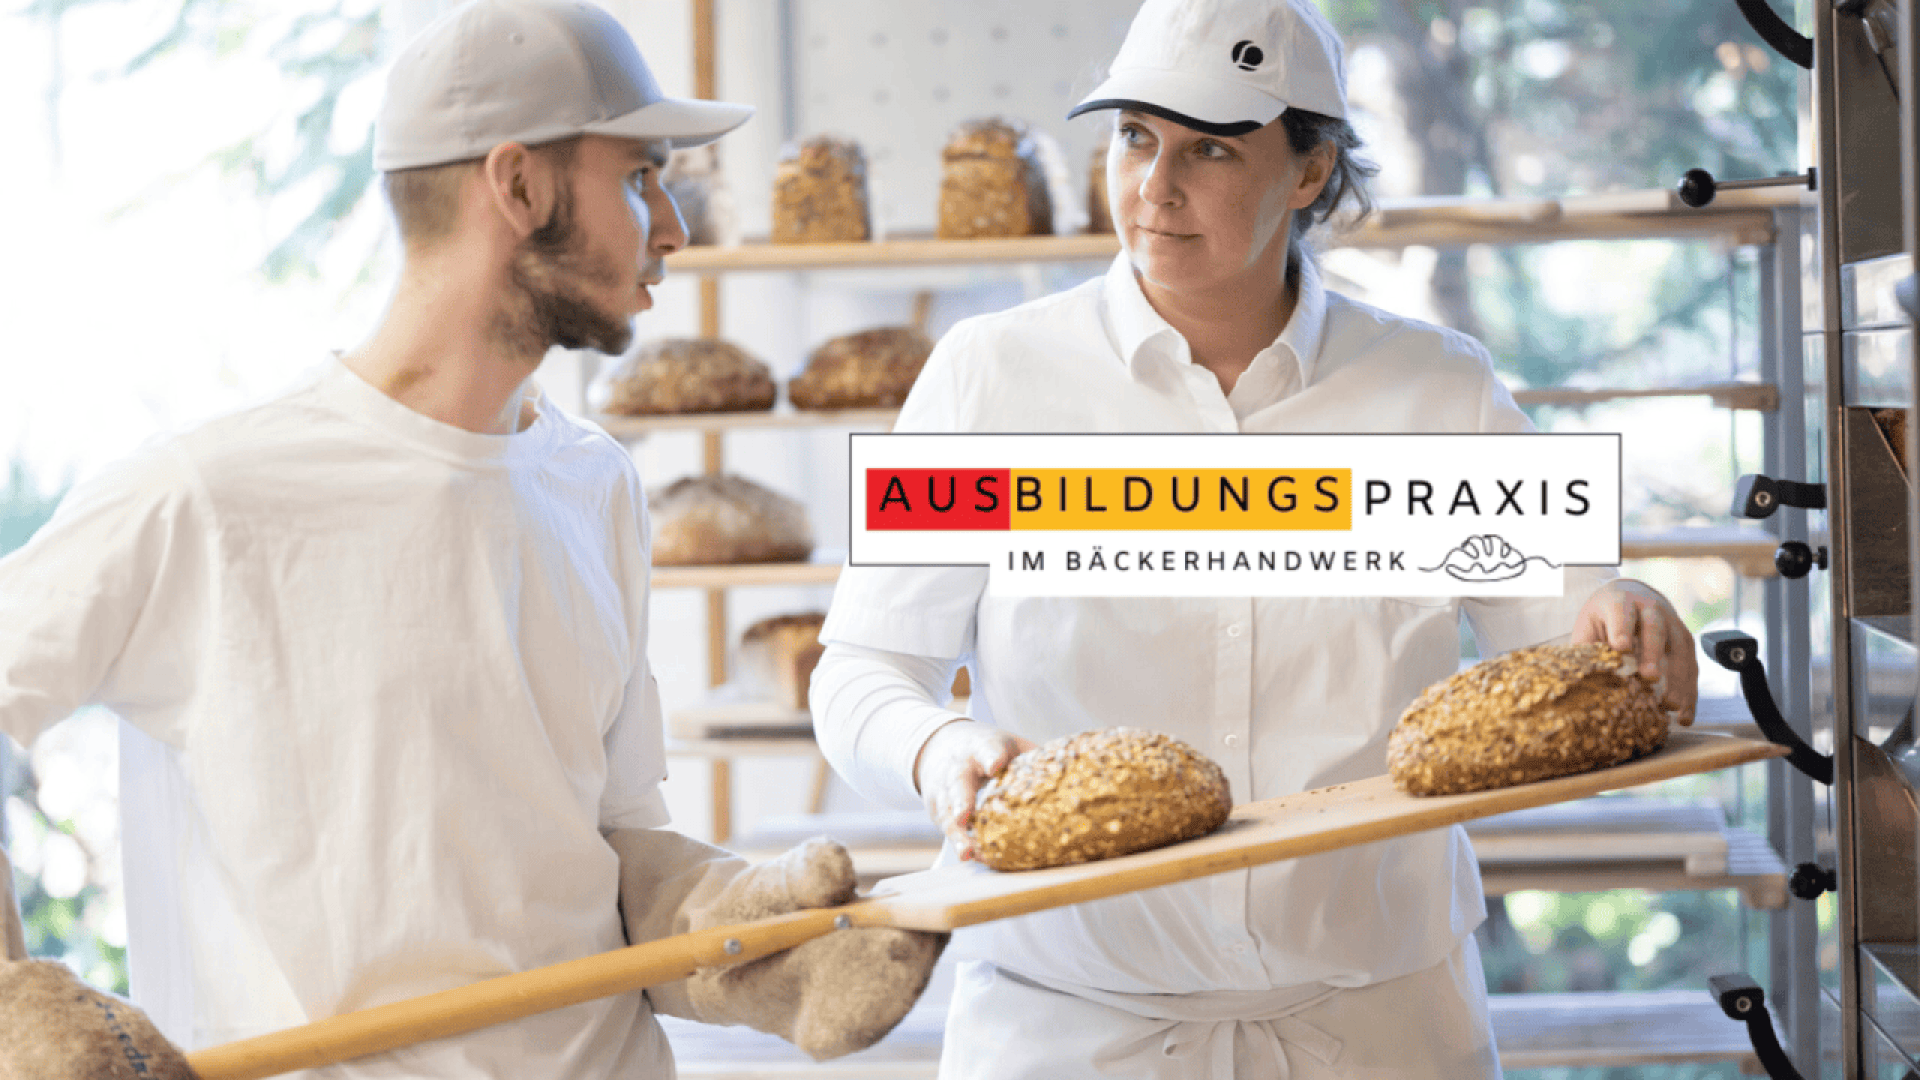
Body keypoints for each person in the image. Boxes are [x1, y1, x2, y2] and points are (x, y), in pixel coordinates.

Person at [0, 2, 941, 1077]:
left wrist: (751, 942)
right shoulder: (209, 498)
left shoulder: (595, 486)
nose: (675, 227)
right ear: (520, 185)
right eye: (641, 177)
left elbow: (612, 849)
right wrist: (12, 1001)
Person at [810, 0, 1699, 1076]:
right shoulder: (989, 378)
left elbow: (1573, 638)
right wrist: (935, 747)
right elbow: (862, 669)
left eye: (1211, 149)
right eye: (1135, 135)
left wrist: (1626, 614)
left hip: (1379, 1027)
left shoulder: (1437, 389)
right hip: (1066, 1029)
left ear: (1312, 171)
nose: (1154, 185)